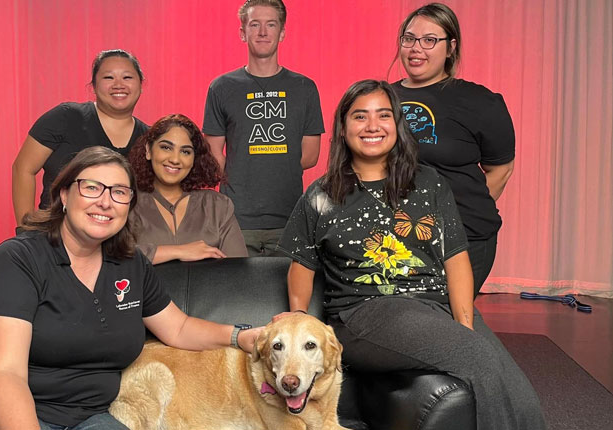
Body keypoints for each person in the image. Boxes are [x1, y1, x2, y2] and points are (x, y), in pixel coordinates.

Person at [276, 80, 545, 430]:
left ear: (397, 125)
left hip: (434, 307)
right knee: (476, 355)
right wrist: (298, 323)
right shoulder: (320, 195)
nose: (372, 126)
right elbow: (301, 267)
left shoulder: (430, 183)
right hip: (366, 313)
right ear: (343, 129)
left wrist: (464, 329)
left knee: (518, 390)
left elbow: (456, 259)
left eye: (383, 115)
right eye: (360, 116)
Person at [0, 147, 262, 430]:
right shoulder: (18, 260)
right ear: (64, 195)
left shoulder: (130, 264)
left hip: (87, 418)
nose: (106, 202)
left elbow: (179, 328)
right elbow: (5, 375)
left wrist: (241, 335)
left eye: (120, 192)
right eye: (92, 188)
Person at [389, 3, 515, 297]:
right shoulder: (382, 98)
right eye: (409, 39)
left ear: (450, 48)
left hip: (465, 238)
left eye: (430, 40)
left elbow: (502, 168)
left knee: (445, 323)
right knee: (405, 322)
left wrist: (450, 218)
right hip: (399, 236)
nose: (416, 48)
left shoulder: (480, 102)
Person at [202, 0, 325, 256]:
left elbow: (310, 155)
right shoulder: (221, 87)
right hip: (236, 218)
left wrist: (270, 167)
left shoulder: (304, 88)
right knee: (237, 293)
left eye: (271, 25)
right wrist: (245, 173)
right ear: (242, 32)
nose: (262, 32)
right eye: (254, 24)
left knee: (286, 293)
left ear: (282, 32)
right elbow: (213, 154)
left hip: (289, 215)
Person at [12, 49, 149, 227]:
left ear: (141, 84)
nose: (118, 85)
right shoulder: (66, 117)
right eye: (108, 78)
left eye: (127, 77)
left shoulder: (149, 138)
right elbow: (23, 168)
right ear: (93, 85)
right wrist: (26, 231)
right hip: (54, 236)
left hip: (118, 242)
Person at [129, 114, 248, 264]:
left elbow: (238, 271)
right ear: (148, 150)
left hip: (209, 287)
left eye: (185, 151)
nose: (175, 159)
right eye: (166, 147)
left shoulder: (218, 206)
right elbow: (109, 259)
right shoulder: (126, 202)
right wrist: (180, 251)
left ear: (194, 159)